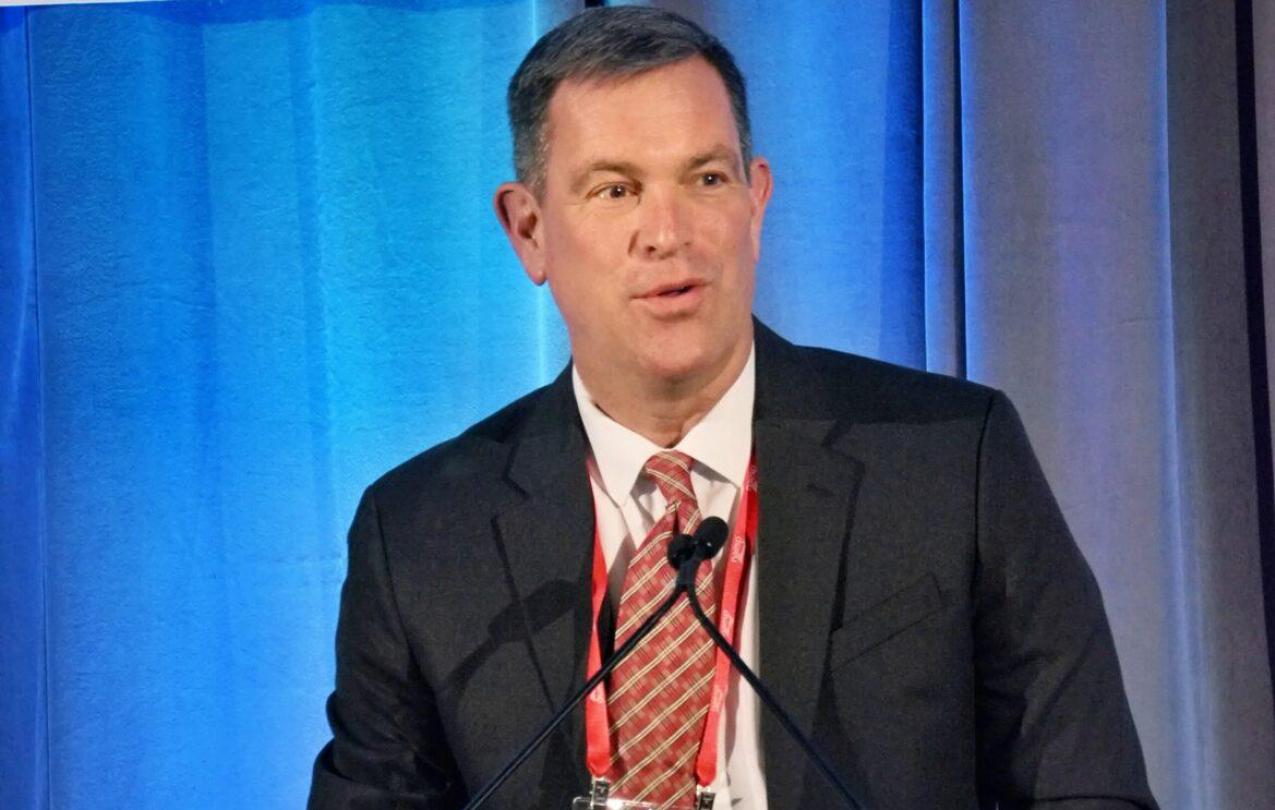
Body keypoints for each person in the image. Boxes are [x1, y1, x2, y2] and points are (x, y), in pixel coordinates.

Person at [308, 8, 1158, 809]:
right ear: (528, 230)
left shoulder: (949, 461)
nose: (667, 232)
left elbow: (1086, 787)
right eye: (614, 190)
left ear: (755, 203)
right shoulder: (420, 533)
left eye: (705, 178)